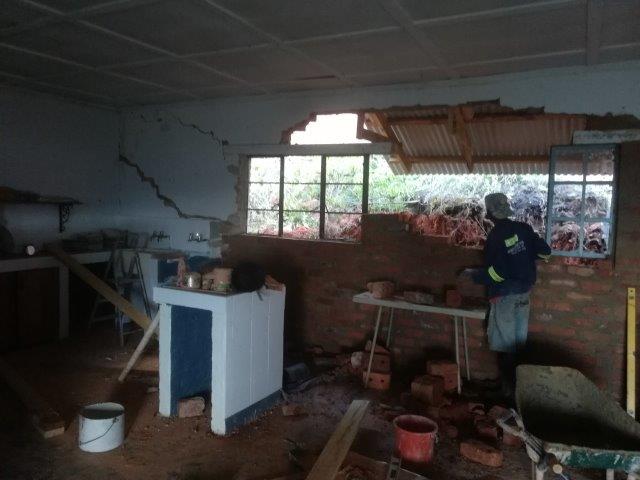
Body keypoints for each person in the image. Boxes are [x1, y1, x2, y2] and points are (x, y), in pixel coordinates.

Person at [461, 193, 551, 399]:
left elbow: (497, 273)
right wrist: (523, 256)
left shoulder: (495, 236)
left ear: (490, 214)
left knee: (505, 346)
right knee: (518, 345)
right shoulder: (523, 229)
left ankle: (507, 393)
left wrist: (473, 275)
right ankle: (518, 390)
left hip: (504, 297)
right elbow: (545, 252)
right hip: (524, 293)